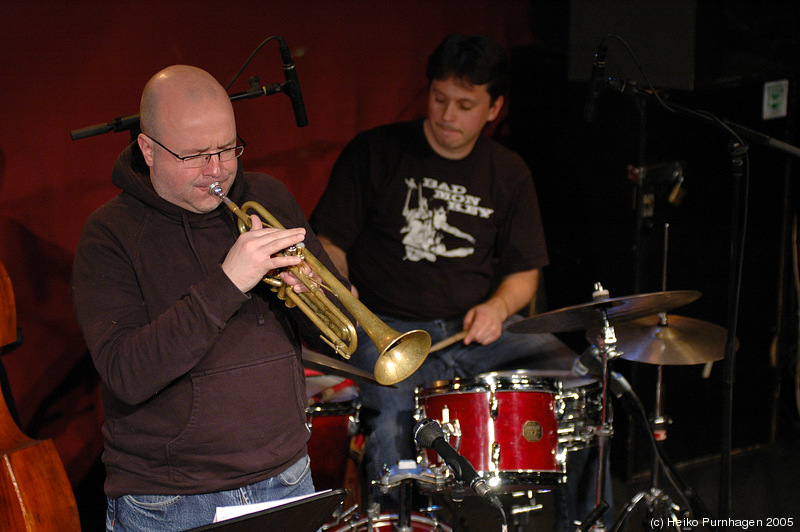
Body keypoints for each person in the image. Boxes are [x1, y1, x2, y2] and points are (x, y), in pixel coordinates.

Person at [310, 33, 611, 529]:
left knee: (581, 380)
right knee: (391, 421)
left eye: (465, 105)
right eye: (439, 98)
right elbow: (332, 242)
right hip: (387, 328)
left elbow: (524, 274)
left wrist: (497, 308)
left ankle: (582, 523)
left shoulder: (508, 172)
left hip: (470, 333)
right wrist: (339, 286)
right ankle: (397, 523)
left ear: (493, 108)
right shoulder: (376, 152)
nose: (447, 114)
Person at [72, 65, 349, 531]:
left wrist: (313, 295)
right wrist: (228, 282)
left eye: (226, 148)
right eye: (196, 155)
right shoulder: (108, 235)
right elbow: (127, 373)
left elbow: (336, 337)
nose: (217, 169)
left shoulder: (268, 196)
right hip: (172, 502)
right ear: (148, 149)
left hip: (285, 480)